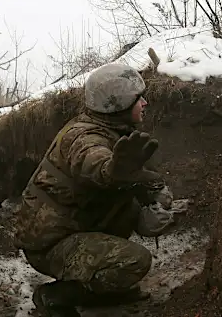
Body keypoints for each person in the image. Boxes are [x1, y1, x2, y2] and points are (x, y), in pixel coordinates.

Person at [14, 63, 172, 317]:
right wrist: (112, 171)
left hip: (71, 228)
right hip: (49, 244)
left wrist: (150, 195)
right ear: (117, 103)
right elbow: (93, 161)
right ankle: (55, 297)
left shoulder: (112, 130)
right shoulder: (83, 135)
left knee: (128, 206)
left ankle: (104, 288)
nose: (145, 103)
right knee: (135, 261)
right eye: (137, 99)